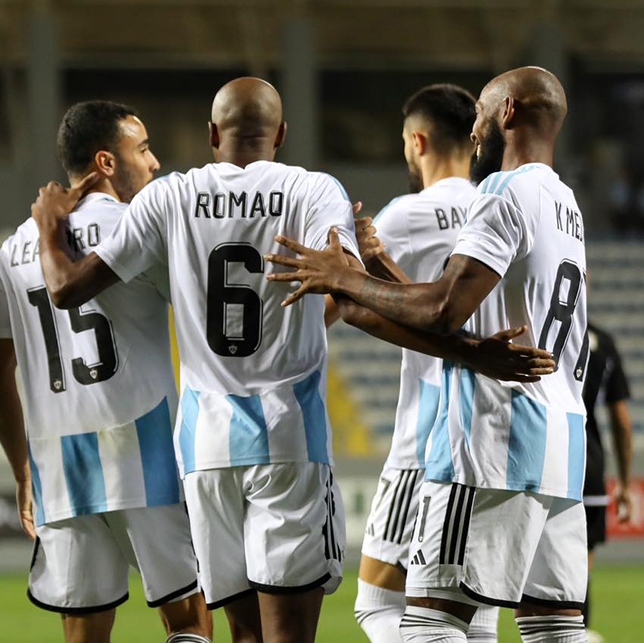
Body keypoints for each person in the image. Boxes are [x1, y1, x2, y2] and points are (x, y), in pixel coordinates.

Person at [267, 66, 589, 643]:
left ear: (506, 113)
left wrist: (346, 277)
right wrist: (379, 271)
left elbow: (443, 308)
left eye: (481, 117)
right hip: (562, 445)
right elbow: (462, 310)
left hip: (494, 440)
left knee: (429, 622)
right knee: (554, 631)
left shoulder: (504, 191)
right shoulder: (567, 205)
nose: (474, 134)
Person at [30, 77, 357, 643]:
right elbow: (344, 280)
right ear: (281, 133)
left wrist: (48, 228)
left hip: (206, 449)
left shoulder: (168, 197)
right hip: (289, 438)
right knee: (289, 634)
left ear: (211, 133)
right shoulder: (311, 189)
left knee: (244, 634)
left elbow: (66, 288)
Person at [0, 100, 211, 643]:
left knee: (84, 631)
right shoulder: (136, 227)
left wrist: (23, 473)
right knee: (187, 618)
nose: (154, 163)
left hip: (59, 467)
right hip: (144, 453)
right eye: (143, 149)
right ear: (107, 161)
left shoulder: (14, 249)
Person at [350, 84, 498, 643]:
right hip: (498, 437)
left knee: (378, 605)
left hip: (427, 439)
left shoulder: (407, 214)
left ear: (417, 141)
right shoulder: (500, 207)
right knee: (471, 616)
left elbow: (337, 309)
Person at [581, 322, 633, 643]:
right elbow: (621, 421)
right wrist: (624, 484)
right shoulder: (602, 342)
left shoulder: (536, 326)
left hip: (535, 458)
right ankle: (578, 632)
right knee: (579, 561)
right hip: (587, 464)